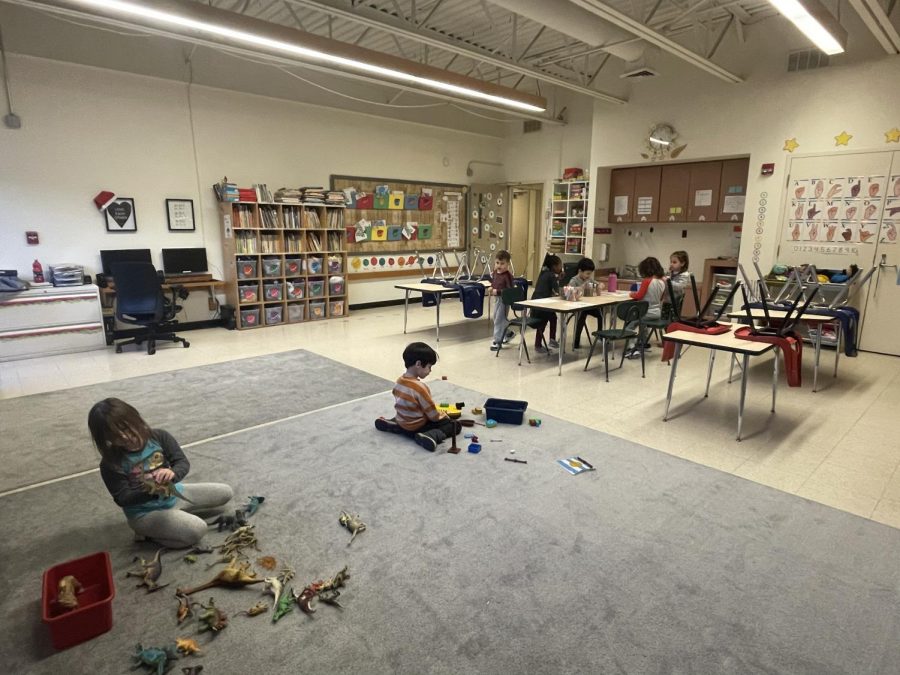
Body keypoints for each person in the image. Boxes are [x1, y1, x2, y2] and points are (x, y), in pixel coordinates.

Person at [89, 398, 233, 549]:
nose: (124, 437)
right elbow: (123, 498)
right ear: (105, 439)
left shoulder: (159, 437)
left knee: (225, 492)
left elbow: (182, 463)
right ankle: (148, 534)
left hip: (175, 494)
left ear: (135, 419)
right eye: (114, 437)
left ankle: (176, 517)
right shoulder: (110, 463)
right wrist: (151, 490)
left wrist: (172, 472)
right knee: (198, 530)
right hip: (146, 513)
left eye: (126, 429)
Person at [374, 342, 462, 452]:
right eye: (429, 366)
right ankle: (431, 435)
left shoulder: (399, 381)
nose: (430, 370)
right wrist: (443, 415)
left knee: (407, 413)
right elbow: (433, 416)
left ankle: (395, 424)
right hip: (417, 427)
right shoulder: (420, 388)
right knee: (454, 425)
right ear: (418, 364)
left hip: (403, 421)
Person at [625, 256, 666, 359]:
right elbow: (661, 298)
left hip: (646, 312)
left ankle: (631, 348)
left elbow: (639, 296)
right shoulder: (662, 282)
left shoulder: (647, 281)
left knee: (630, 325)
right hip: (657, 312)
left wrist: (631, 294)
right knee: (643, 324)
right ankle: (643, 343)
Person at [567, 258, 603, 349]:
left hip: (588, 306)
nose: (589, 276)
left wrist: (600, 285)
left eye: (590, 273)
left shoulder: (589, 280)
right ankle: (576, 341)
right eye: (587, 273)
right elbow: (569, 292)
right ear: (580, 271)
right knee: (581, 316)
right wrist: (581, 287)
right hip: (578, 307)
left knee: (601, 312)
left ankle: (600, 333)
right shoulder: (573, 280)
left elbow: (598, 284)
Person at [531, 254, 562, 354]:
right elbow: (556, 292)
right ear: (554, 266)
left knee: (553, 318)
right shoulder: (551, 275)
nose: (561, 268)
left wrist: (558, 279)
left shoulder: (544, 273)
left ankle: (552, 340)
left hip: (537, 300)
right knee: (542, 322)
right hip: (543, 303)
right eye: (560, 266)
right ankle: (538, 344)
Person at [489, 250, 515, 351]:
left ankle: (497, 341)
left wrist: (498, 291)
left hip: (504, 300)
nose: (499, 265)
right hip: (497, 300)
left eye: (502, 263)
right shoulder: (495, 272)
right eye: (497, 263)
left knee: (499, 320)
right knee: (496, 318)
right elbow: (494, 282)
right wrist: (492, 287)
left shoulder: (508, 276)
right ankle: (508, 333)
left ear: (508, 264)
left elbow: (509, 290)